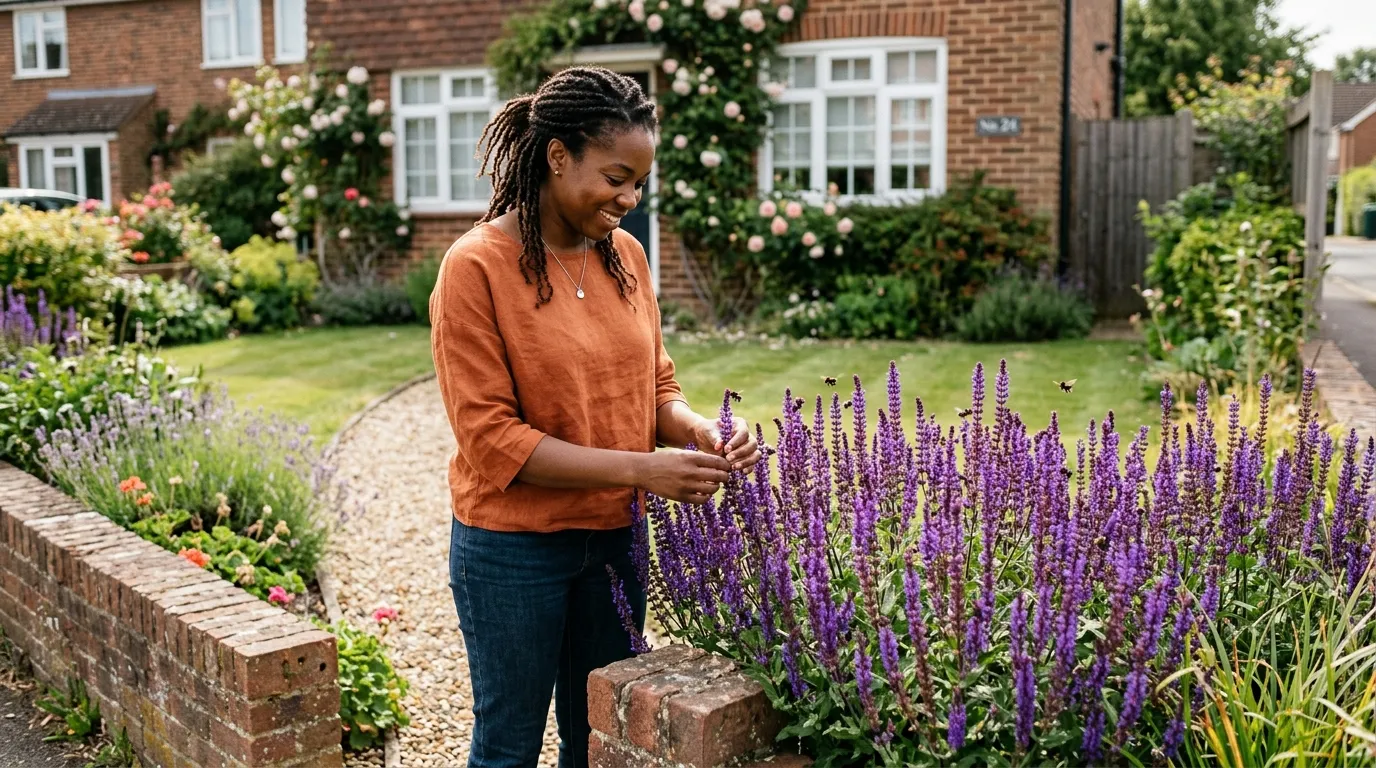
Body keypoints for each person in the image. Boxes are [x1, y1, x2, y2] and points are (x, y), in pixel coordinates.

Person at [428, 66, 762, 768]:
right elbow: (493, 443)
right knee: (508, 745)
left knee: (601, 741)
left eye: (639, 182)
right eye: (616, 178)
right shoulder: (475, 267)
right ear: (557, 157)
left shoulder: (628, 259)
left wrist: (697, 429)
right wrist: (645, 468)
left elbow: (655, 387)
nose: (630, 199)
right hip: (513, 550)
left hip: (614, 542)